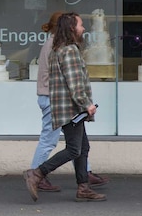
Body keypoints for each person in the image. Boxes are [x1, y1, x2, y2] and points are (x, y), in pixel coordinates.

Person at [23, 12, 106, 203]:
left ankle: (83, 187)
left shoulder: (58, 48)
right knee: (74, 150)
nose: (83, 28)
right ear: (71, 28)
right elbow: (75, 83)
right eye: (80, 25)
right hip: (71, 108)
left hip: (66, 106)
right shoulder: (69, 50)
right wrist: (87, 105)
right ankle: (37, 174)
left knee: (83, 148)